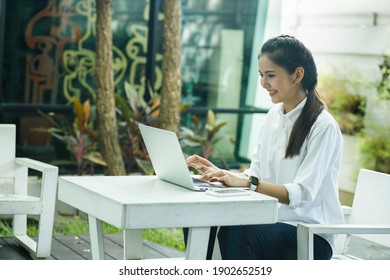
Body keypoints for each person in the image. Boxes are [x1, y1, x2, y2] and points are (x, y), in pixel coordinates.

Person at [186, 34, 344, 260]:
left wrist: (249, 182)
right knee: (199, 220)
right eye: (261, 75)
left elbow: (302, 194)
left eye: (271, 75)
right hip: (271, 221)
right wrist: (223, 175)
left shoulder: (323, 126)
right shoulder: (273, 116)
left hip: (310, 235)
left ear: (298, 75)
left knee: (237, 233)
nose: (263, 83)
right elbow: (255, 174)